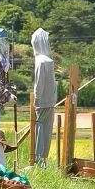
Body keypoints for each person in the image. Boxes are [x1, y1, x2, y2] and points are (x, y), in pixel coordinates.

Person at [31, 28, 55, 165]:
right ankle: (43, 160)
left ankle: (38, 159)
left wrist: (36, 99)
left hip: (42, 103)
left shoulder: (40, 61)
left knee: (39, 129)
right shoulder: (48, 60)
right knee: (47, 130)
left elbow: (39, 84)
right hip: (50, 101)